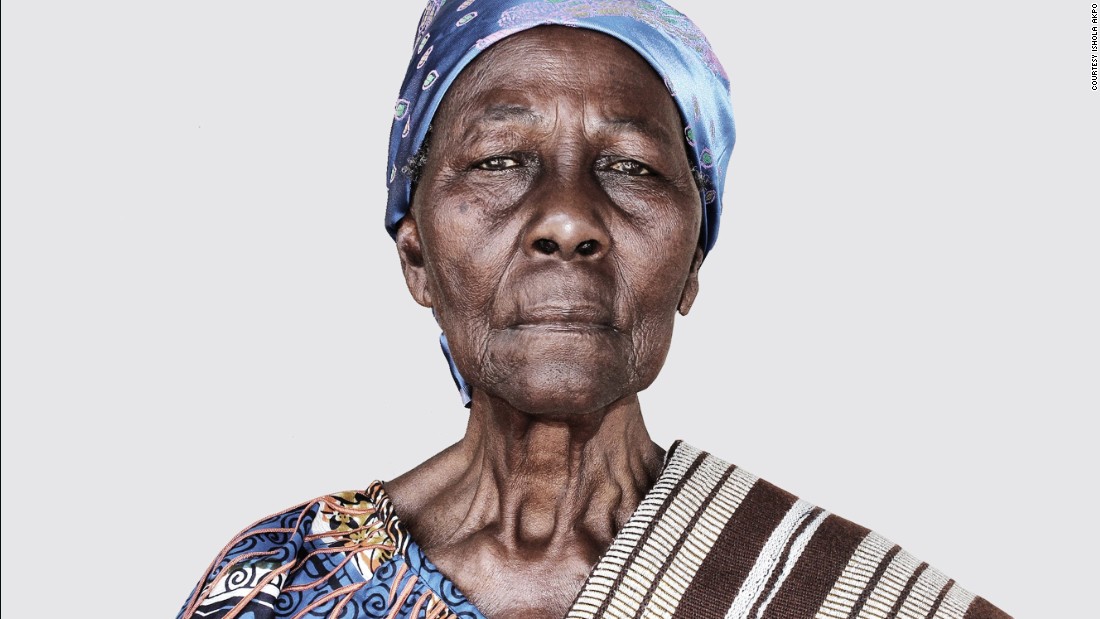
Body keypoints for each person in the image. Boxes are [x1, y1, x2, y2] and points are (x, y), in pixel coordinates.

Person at [176, 1, 1009, 618]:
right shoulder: (283, 587)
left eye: (634, 168)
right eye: (501, 160)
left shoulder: (851, 598)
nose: (568, 219)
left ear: (690, 265)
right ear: (417, 254)